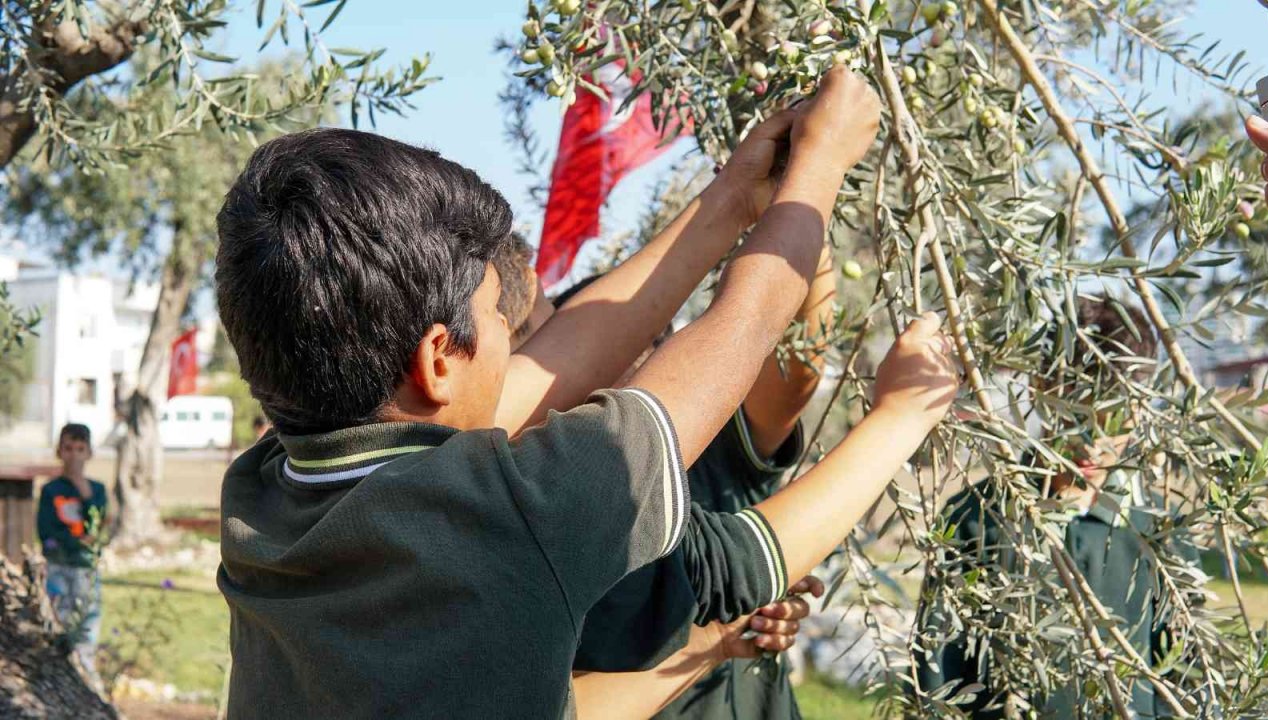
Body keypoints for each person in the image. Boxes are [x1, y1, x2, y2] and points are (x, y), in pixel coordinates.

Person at [215, 66, 914, 719]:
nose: (516, 339)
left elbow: (555, 362)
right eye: (497, 315)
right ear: (437, 359)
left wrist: (734, 197)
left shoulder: (262, 494)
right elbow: (745, 324)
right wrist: (821, 166)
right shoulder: (513, 512)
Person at [494, 236, 838, 720]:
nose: (646, 356)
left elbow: (797, 367)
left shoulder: (714, 444)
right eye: (615, 342)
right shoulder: (542, 494)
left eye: (657, 338)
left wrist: (805, 215)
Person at [915, 297, 1200, 718]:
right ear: (1040, 388)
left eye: (1114, 419)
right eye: (1076, 413)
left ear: (1142, 409)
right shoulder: (976, 520)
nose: (1092, 442)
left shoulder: (1161, 532)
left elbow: (1185, 681)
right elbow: (938, 681)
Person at [37, 422, 109, 684]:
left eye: (80, 449)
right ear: (59, 451)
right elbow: (47, 533)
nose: (74, 455)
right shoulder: (51, 490)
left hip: (86, 568)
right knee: (61, 623)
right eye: (68, 448)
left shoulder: (97, 490)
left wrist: (83, 488)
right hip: (58, 567)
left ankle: (86, 677)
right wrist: (77, 542)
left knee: (87, 625)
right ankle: (60, 677)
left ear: (89, 453)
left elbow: (97, 523)